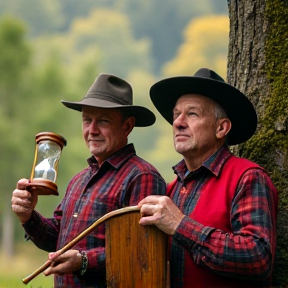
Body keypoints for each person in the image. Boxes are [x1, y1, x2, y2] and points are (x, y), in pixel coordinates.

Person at [11, 73, 166, 288]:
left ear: (127, 126)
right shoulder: (79, 180)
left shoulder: (142, 177)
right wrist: (27, 216)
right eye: (87, 120)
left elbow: (141, 253)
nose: (92, 130)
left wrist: (83, 261)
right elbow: (55, 239)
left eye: (103, 121)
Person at [138, 68, 278, 288]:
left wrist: (180, 225)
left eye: (192, 114)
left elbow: (258, 258)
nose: (178, 123)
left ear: (221, 128)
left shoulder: (248, 178)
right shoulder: (171, 189)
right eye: (176, 115)